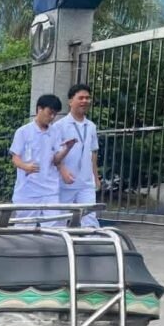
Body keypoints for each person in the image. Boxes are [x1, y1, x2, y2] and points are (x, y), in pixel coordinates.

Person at [9, 94, 77, 227]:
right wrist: (26, 166)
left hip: (49, 189)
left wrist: (67, 148)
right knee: (25, 227)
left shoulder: (55, 132)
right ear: (39, 109)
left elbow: (56, 160)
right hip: (28, 189)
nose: (52, 117)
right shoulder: (23, 132)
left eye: (55, 114)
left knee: (54, 226)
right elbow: (15, 158)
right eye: (50, 113)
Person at [55, 83, 102, 227]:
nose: (85, 101)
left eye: (87, 98)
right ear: (70, 101)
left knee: (90, 219)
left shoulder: (91, 126)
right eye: (81, 98)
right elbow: (54, 154)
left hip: (86, 183)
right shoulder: (60, 126)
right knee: (59, 219)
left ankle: (91, 240)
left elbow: (93, 152)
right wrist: (63, 171)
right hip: (66, 182)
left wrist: (95, 177)